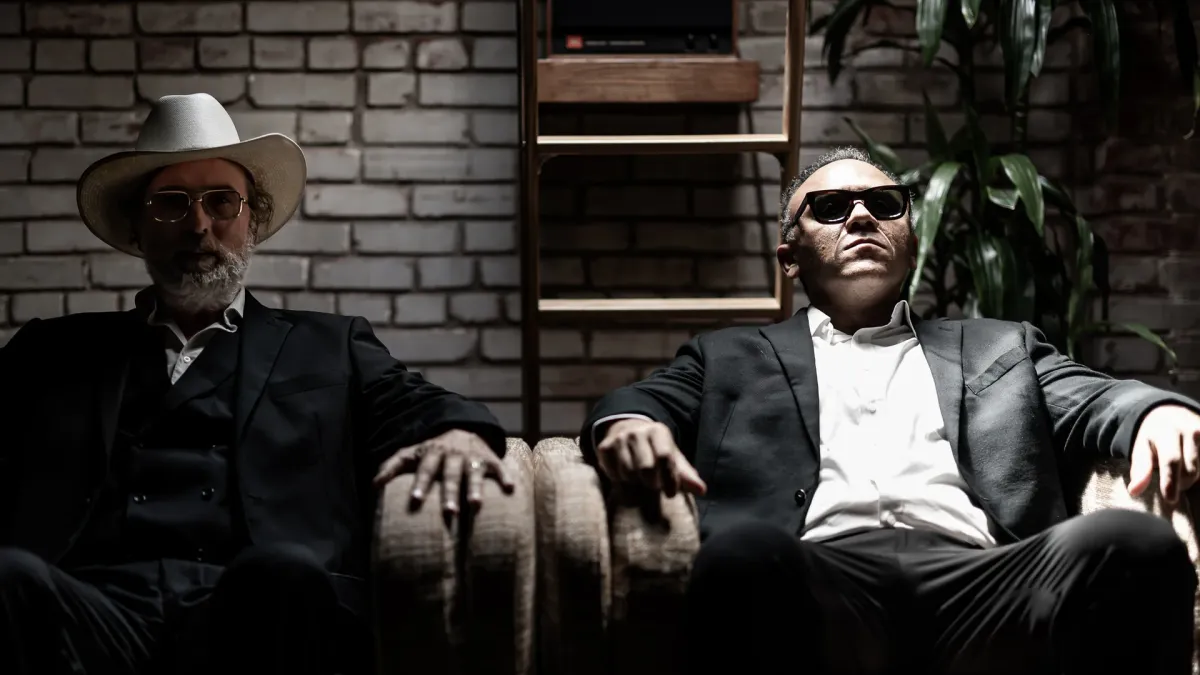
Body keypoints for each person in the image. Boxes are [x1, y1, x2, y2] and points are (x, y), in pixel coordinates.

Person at [582, 146, 1200, 675]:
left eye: (884, 204)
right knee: (738, 557)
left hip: (987, 582)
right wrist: (630, 424)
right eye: (831, 207)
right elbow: (642, 401)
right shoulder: (729, 356)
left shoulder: (998, 345)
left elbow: (1096, 397)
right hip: (818, 580)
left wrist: (1158, 414)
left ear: (910, 242)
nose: (861, 216)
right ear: (790, 257)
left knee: (1138, 544)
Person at [0, 93, 513, 675]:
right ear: (138, 228)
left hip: (254, 604)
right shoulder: (51, 352)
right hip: (91, 609)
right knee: (9, 578)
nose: (199, 225)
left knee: (285, 573)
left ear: (254, 221)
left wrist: (458, 434)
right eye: (171, 204)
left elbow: (422, 405)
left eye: (222, 201)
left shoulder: (331, 345)